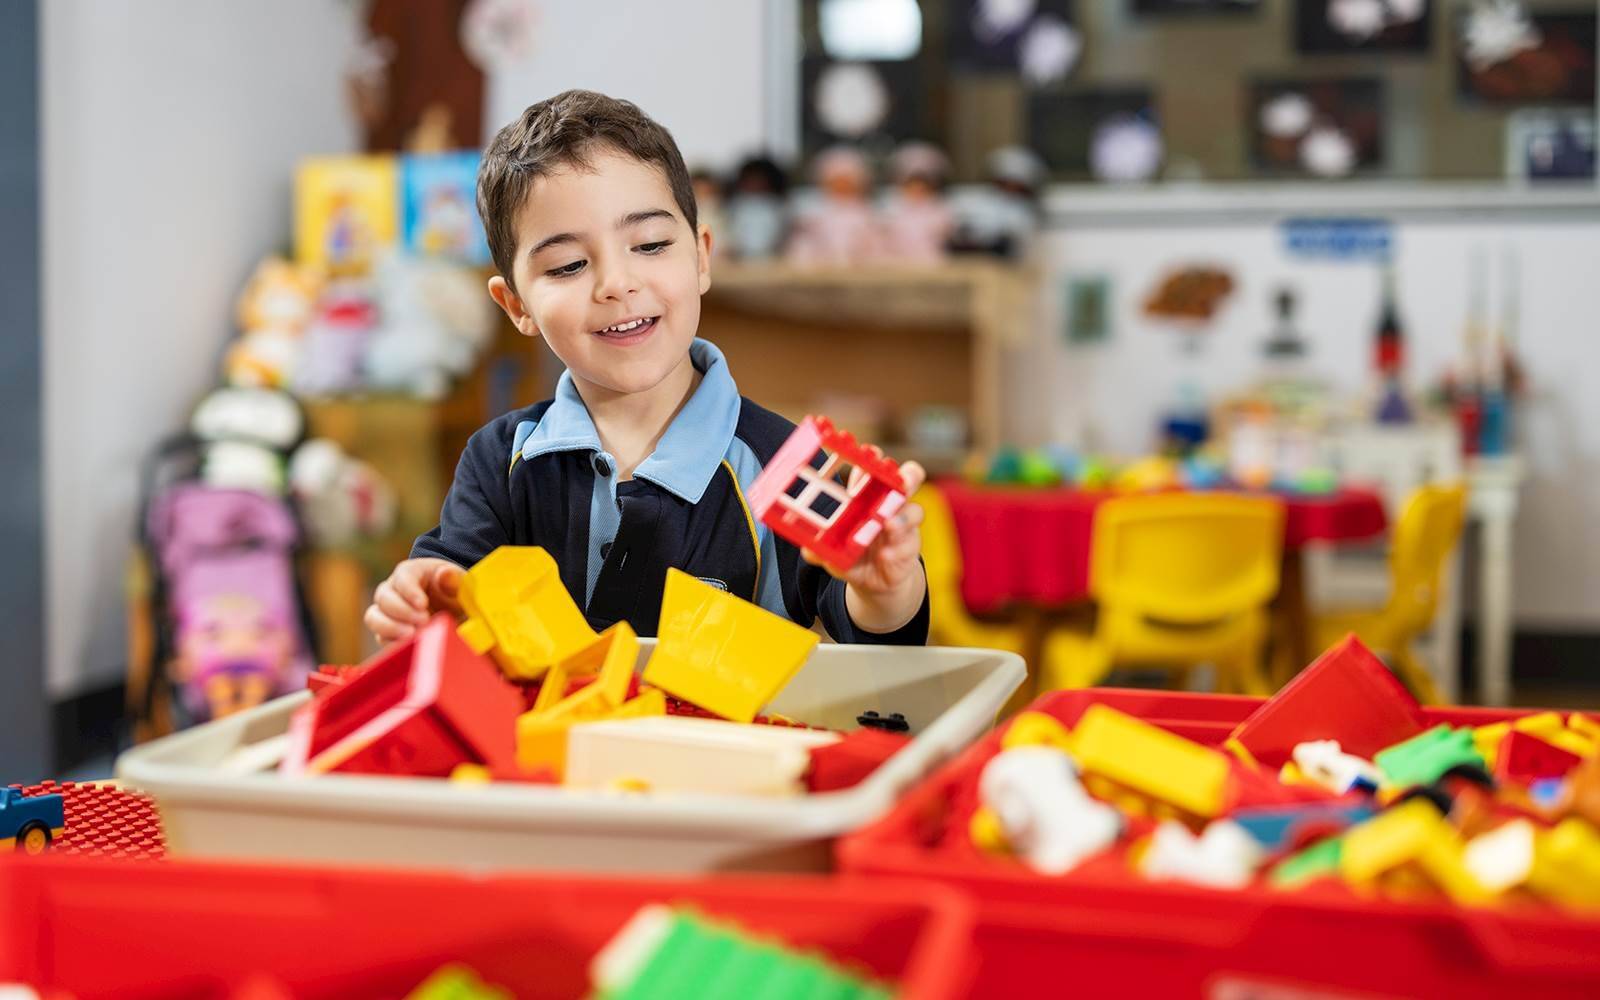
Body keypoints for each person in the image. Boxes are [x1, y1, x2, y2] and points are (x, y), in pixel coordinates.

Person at [364, 90, 929, 648]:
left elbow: (875, 641)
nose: (616, 284)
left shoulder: (788, 464)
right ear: (517, 307)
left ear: (702, 256)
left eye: (651, 244)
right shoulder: (501, 461)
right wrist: (422, 597)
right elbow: (451, 588)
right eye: (567, 265)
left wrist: (886, 589)